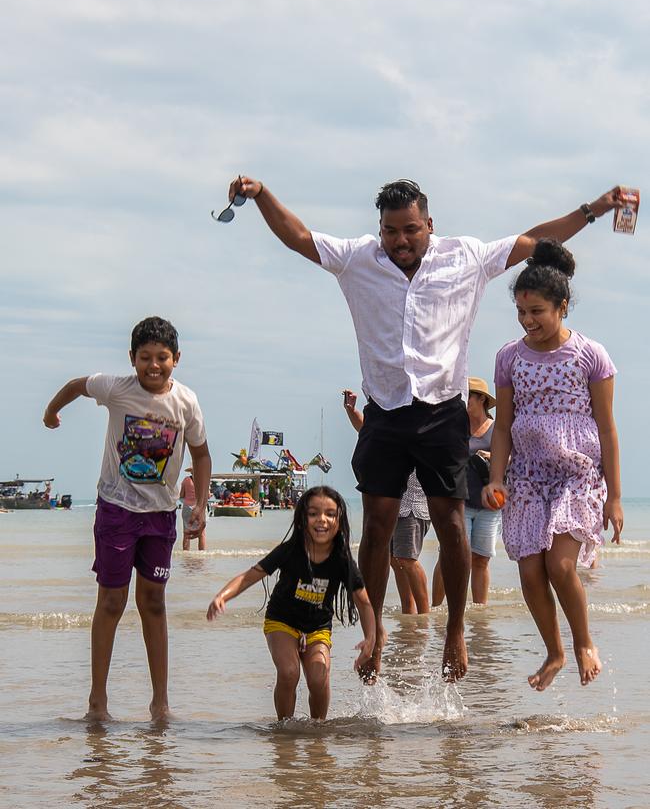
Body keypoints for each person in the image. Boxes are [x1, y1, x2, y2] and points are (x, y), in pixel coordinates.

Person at [225, 174, 623, 681]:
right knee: (377, 528)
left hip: (442, 412)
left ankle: (454, 630)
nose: (401, 241)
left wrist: (592, 210)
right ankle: (373, 633)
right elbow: (300, 237)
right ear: (380, 229)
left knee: (452, 524)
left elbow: (535, 240)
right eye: (391, 231)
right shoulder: (358, 259)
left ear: (429, 225)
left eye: (411, 229)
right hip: (386, 412)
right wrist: (262, 196)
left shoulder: (466, 257)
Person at [43, 316, 211, 721]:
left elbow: (202, 455)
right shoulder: (116, 388)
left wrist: (200, 505)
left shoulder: (186, 401)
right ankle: (97, 703)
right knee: (112, 601)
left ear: (176, 359)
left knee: (153, 602)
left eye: (162, 358)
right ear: (132, 358)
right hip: (116, 509)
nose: (154, 366)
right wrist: (51, 414)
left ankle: (161, 704)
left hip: (160, 515)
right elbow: (74, 386)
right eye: (145, 358)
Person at [483, 240, 623, 691]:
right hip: (526, 475)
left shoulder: (590, 355)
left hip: (577, 475)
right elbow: (501, 427)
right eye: (521, 313)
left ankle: (584, 644)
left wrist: (615, 497)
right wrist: (496, 478)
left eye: (538, 311)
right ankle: (555, 651)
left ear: (562, 307)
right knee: (529, 570)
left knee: (561, 567)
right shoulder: (509, 357)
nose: (528, 321)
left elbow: (607, 429)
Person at [206, 486, 375, 720]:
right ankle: (284, 729)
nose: (321, 520)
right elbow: (250, 576)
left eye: (330, 514)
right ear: (302, 518)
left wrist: (371, 638)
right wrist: (222, 596)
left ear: (339, 520)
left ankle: (318, 729)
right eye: (313, 513)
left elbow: (363, 603)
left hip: (317, 628)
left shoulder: (342, 560)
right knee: (289, 672)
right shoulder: (290, 551)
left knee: (318, 676)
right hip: (281, 622)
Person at [343, 390, 430, 614]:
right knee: (393, 559)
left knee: (407, 558)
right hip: (391, 500)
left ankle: (424, 613)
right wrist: (351, 411)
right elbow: (367, 431)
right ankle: (408, 610)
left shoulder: (419, 412)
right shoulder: (387, 420)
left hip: (413, 502)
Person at [431, 377, 499, 606]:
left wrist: (493, 458)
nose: (463, 401)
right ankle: (436, 609)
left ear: (482, 400)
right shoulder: (455, 426)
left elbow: (512, 459)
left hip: (489, 506)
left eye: (468, 395)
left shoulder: (496, 429)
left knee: (480, 560)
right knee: (448, 556)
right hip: (458, 503)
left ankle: (480, 611)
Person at [179, 469, 207, 550]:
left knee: (186, 533)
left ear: (191, 472)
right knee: (201, 534)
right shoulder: (204, 480)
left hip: (187, 508)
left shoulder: (186, 480)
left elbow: (181, 495)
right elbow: (207, 495)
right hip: (200, 508)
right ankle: (201, 556)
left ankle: (186, 556)